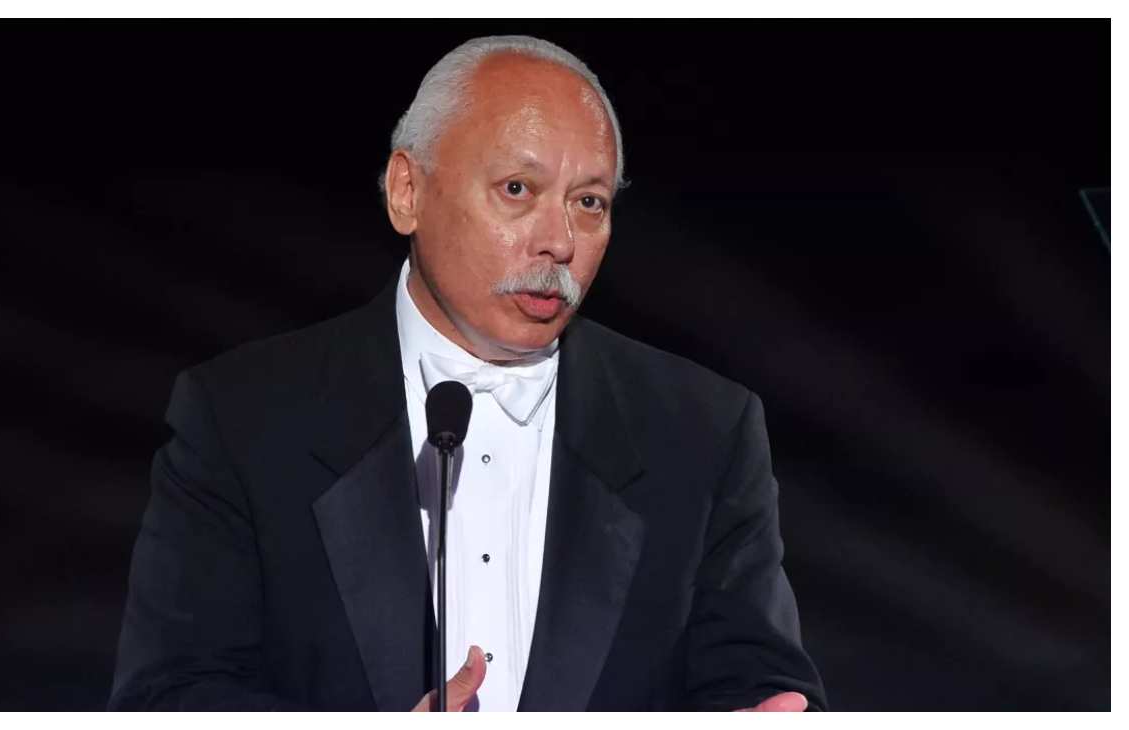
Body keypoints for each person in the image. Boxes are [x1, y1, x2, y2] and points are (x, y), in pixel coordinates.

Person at [109, 35, 826, 712]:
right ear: (406, 192)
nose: (559, 240)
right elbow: (173, 694)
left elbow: (757, 682)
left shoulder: (702, 429)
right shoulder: (242, 415)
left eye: (590, 202)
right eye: (518, 188)